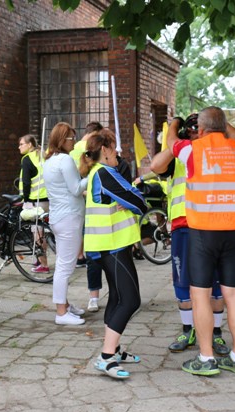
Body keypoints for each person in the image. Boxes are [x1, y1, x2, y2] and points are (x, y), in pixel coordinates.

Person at [168, 106, 235, 376]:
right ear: (225, 126)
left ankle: (206, 359)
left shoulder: (194, 150)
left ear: (200, 130)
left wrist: (174, 124)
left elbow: (171, 144)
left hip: (204, 233)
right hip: (234, 232)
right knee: (233, 294)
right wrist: (221, 125)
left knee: (199, 295)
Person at [150, 113, 230, 357]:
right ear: (186, 132)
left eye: (200, 128)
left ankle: (216, 334)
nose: (197, 133)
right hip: (183, 225)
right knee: (182, 282)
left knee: (216, 284)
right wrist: (175, 134)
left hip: (212, 224)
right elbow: (156, 165)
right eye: (192, 129)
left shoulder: (219, 151)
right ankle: (188, 329)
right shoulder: (181, 153)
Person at [79, 129, 148, 379]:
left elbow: (127, 196)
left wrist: (129, 198)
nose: (118, 153)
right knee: (131, 300)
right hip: (113, 245)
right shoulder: (105, 173)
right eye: (115, 148)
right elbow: (136, 200)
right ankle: (106, 357)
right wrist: (134, 199)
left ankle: (114, 349)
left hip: (110, 245)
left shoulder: (99, 173)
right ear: (105, 149)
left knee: (118, 297)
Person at [43, 122, 88, 325]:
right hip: (69, 217)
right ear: (62, 140)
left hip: (59, 217)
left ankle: (65, 305)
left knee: (63, 263)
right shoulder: (65, 160)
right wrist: (93, 173)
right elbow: (76, 188)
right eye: (71, 138)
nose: (74, 141)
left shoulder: (50, 160)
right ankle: (61, 313)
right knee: (64, 267)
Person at [70, 121, 105, 312]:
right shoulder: (95, 156)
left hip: (84, 209)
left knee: (92, 256)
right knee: (97, 257)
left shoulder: (74, 151)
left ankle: (94, 297)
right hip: (93, 211)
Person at [18, 134, 50, 273]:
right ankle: (39, 258)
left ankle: (44, 264)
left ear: (30, 144)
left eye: (21, 144)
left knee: (36, 232)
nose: (19, 147)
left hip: (35, 200)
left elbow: (26, 182)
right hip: (47, 198)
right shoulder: (42, 154)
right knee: (42, 232)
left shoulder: (27, 159)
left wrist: (25, 201)